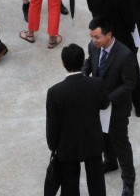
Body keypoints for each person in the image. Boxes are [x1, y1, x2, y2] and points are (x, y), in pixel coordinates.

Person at [82, 18, 137, 196]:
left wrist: (110, 99)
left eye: (97, 37)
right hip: (99, 104)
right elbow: (90, 63)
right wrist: (83, 75)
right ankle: (110, 162)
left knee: (120, 142)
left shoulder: (125, 54)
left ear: (109, 35)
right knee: (103, 137)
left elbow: (129, 84)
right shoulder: (93, 47)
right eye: (91, 37)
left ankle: (128, 181)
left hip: (117, 107)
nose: (93, 41)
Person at [46, 44, 108, 196]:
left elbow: (52, 125)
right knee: (97, 182)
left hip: (67, 146)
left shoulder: (54, 92)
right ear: (82, 61)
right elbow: (105, 103)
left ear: (63, 64)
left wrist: (53, 146)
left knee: (69, 185)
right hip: (92, 141)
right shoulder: (96, 84)